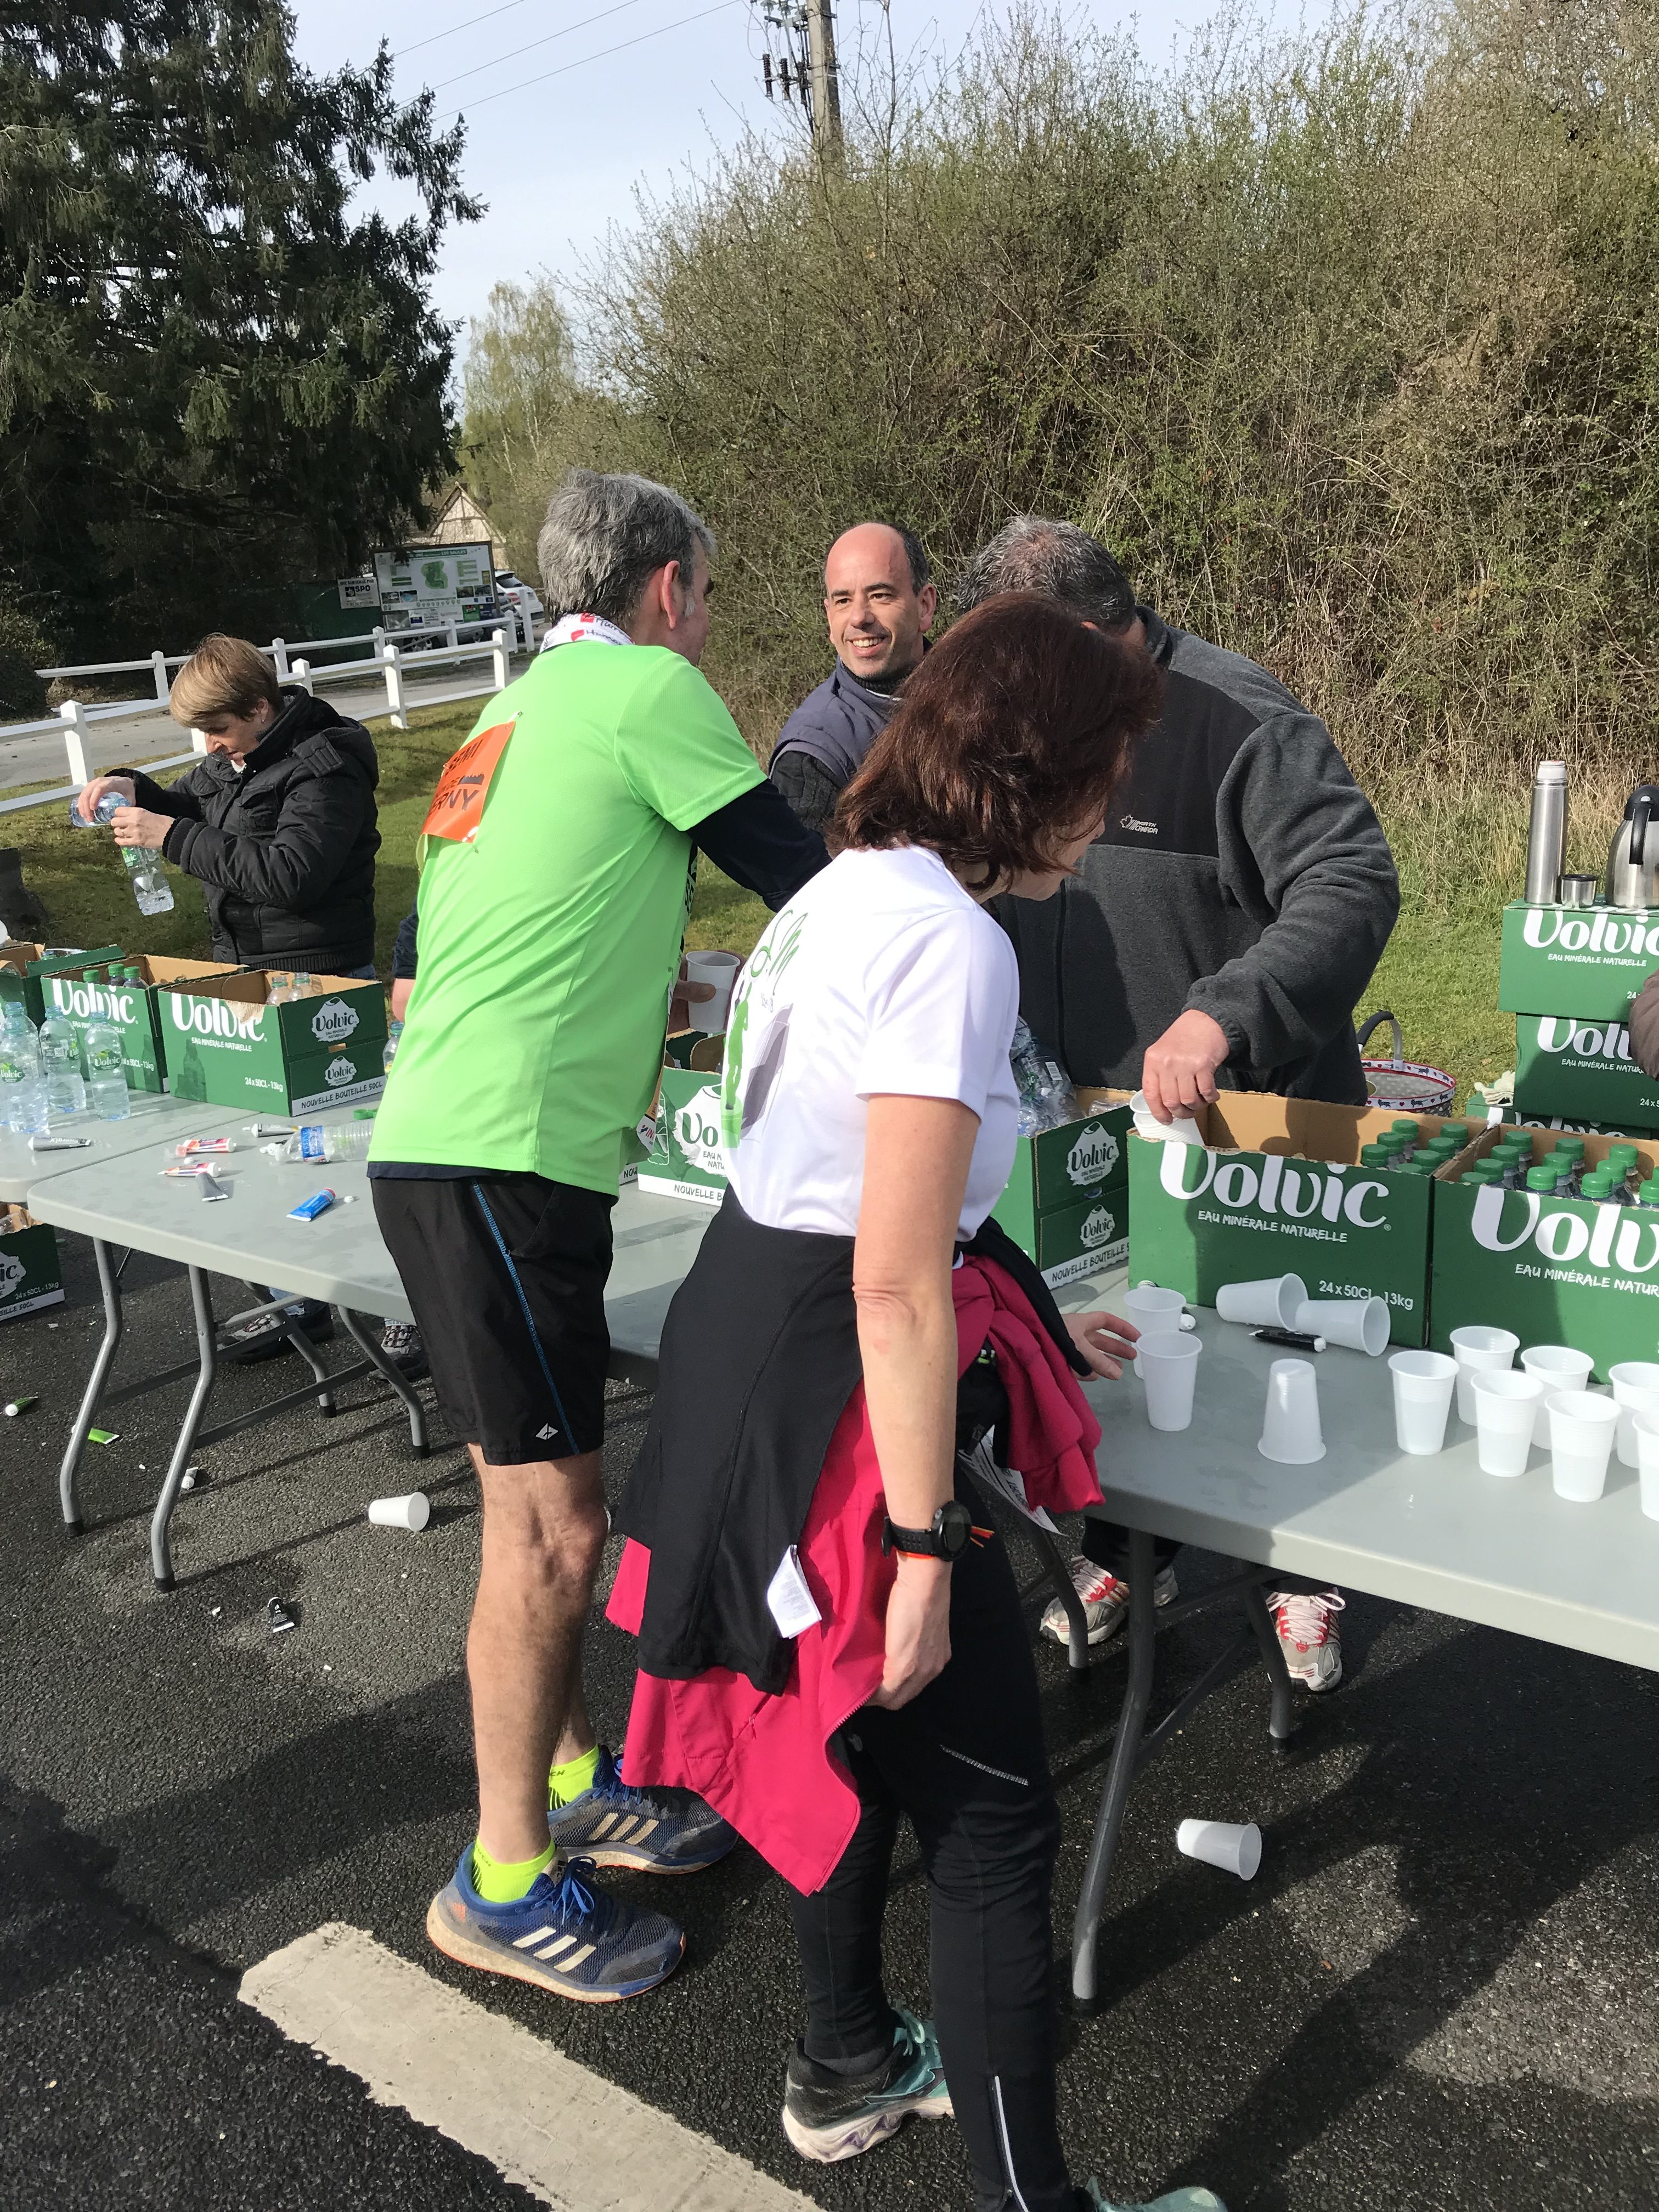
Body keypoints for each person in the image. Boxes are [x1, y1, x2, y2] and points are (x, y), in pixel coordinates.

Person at [606, 596, 1223, 2212]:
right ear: (1034, 774)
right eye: (1104, 773)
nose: (1115, 807)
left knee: (850, 1742)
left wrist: (1025, 1306)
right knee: (997, 1818)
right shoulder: (954, 940)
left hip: (750, 1335)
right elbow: (891, 1279)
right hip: (839, 1390)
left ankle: (844, 2062)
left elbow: (883, 1192)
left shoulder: (844, 889)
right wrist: (928, 1550)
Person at [368, 469, 828, 2004]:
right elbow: (805, 881)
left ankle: (569, 1781)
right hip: (502, 1158)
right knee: (551, 1532)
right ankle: (501, 1881)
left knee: (533, 1512)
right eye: (706, 593)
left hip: (455, 1143)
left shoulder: (509, 714)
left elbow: (462, 934)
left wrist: (640, 977)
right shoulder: (646, 688)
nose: (705, 621)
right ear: (668, 588)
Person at [958, 520, 1400, 1691]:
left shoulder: (1237, 719)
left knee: (1276, 1365)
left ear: (1090, 638)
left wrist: (1224, 1013)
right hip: (1092, 1129)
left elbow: (1352, 881)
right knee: (1119, 1348)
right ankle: (1123, 1551)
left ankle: (1302, 1573)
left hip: (1249, 1124)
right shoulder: (1034, 718)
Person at [77, 633, 381, 1364]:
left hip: (322, 981)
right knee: (267, 1151)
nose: (210, 746)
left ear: (260, 707)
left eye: (218, 729)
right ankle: (299, 1298)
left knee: (349, 1155)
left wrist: (171, 836)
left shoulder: (327, 764)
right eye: (202, 734)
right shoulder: (234, 756)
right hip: (242, 970)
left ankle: (401, 1305)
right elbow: (192, 802)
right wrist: (131, 786)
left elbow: (291, 876)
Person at [768, 522, 936, 832]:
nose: (859, 617)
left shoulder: (980, 697)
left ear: (924, 606)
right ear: (829, 617)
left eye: (880, 595)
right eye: (843, 601)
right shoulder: (812, 758)